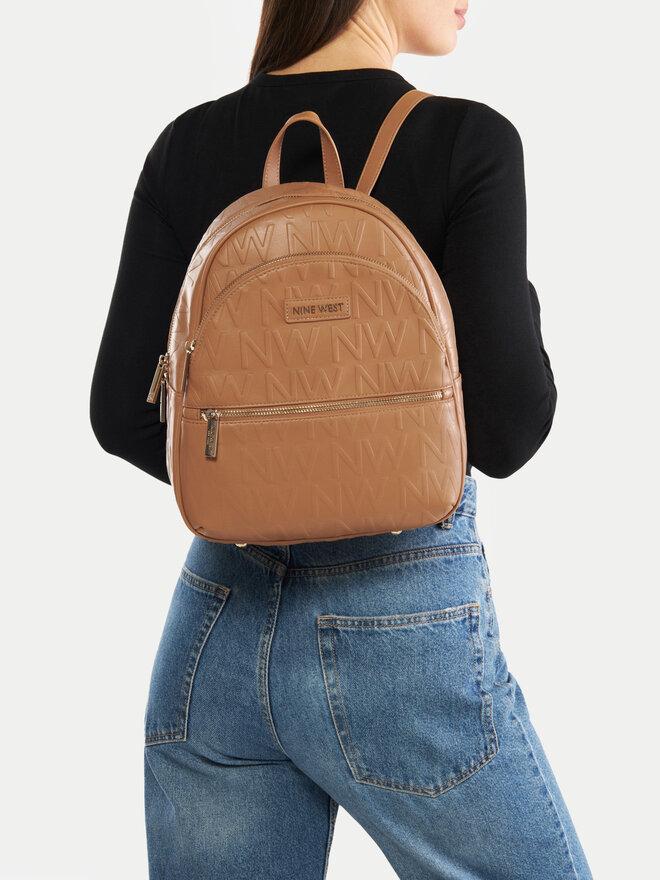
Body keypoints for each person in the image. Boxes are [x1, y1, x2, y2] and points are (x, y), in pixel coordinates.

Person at [90, 1, 593, 877]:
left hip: (215, 625)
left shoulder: (186, 146)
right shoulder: (465, 142)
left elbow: (120, 413)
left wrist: (267, 482)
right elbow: (511, 429)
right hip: (402, 625)